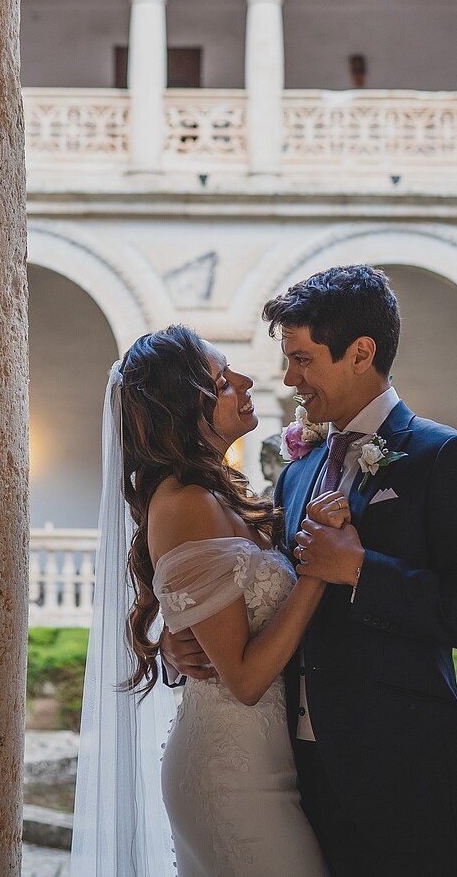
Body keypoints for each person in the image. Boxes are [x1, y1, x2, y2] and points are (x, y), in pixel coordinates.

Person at [165, 265, 457, 877]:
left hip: (402, 778)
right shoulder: (296, 473)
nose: (289, 379)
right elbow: (265, 593)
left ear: (362, 352)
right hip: (296, 784)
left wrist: (362, 570)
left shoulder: (445, 458)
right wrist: (189, 633)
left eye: (303, 359)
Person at [71, 324, 341, 877]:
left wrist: (178, 635)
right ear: (182, 409)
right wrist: (318, 572)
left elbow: (222, 615)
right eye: (221, 381)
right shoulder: (186, 503)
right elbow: (242, 679)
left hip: (266, 763)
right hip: (233, 777)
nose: (244, 381)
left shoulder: (215, 491)